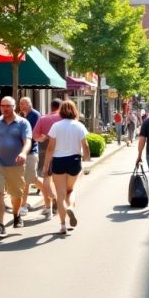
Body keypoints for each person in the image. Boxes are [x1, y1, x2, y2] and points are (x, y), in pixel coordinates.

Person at [42, 100, 91, 235]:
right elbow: (85, 145)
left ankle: (63, 225)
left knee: (60, 195)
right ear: (74, 111)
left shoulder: (56, 126)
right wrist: (87, 158)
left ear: (61, 111)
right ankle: (71, 207)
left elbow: (50, 148)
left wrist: (46, 166)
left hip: (58, 161)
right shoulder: (79, 126)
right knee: (71, 190)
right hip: (74, 160)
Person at [0, 96, 32, 234]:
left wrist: (23, 153)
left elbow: (28, 141)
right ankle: (1, 225)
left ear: (14, 107)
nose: (4, 108)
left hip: (16, 164)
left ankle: (16, 215)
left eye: (8, 106)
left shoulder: (23, 123)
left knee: (16, 194)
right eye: (2, 106)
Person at [32, 99, 63, 218]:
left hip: (45, 150)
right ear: (61, 107)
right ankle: (56, 200)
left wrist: (43, 139)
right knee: (59, 180)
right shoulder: (65, 119)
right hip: (62, 151)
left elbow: (35, 136)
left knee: (46, 179)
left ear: (51, 106)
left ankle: (48, 206)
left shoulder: (43, 118)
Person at [17, 97, 43, 217]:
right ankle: (51, 194)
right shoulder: (23, 116)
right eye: (20, 104)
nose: (22, 106)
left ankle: (23, 206)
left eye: (24, 104)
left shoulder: (34, 115)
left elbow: (33, 134)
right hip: (22, 152)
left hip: (31, 152)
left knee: (29, 179)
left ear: (30, 104)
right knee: (30, 179)